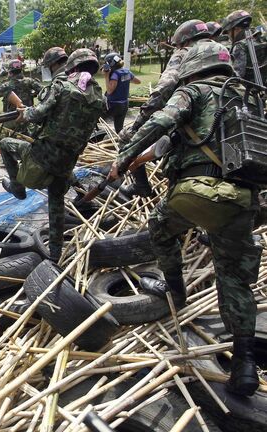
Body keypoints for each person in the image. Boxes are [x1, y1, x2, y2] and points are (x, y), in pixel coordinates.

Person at [109, 41, 262, 397]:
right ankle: (244, 363)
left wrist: (124, 155)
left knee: (160, 229)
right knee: (233, 278)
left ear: (193, 66)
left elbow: (162, 122)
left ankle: (176, 292)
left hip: (196, 192)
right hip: (243, 200)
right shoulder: (247, 96)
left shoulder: (193, 91)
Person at [0, 49, 105, 260]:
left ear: (69, 67)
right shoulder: (97, 94)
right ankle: (55, 254)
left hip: (43, 154)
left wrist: (25, 113)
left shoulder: (61, 86)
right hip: (68, 160)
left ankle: (17, 188)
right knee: (55, 204)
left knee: (4, 144)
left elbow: (37, 115)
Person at [119, 19, 213, 197]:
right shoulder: (222, 50)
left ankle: (143, 187)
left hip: (189, 118)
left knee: (127, 137)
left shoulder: (186, 52)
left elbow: (164, 89)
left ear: (183, 41)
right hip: (222, 120)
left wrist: (138, 123)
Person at [221, 10, 264, 84]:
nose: (229, 36)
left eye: (228, 32)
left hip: (249, 92)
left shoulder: (240, 46)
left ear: (236, 29)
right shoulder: (262, 39)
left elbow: (237, 77)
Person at [102, 52, 141, 133]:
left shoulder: (115, 74)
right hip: (124, 104)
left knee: (96, 116)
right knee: (119, 129)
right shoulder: (127, 72)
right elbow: (138, 81)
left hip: (114, 106)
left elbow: (109, 91)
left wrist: (106, 77)